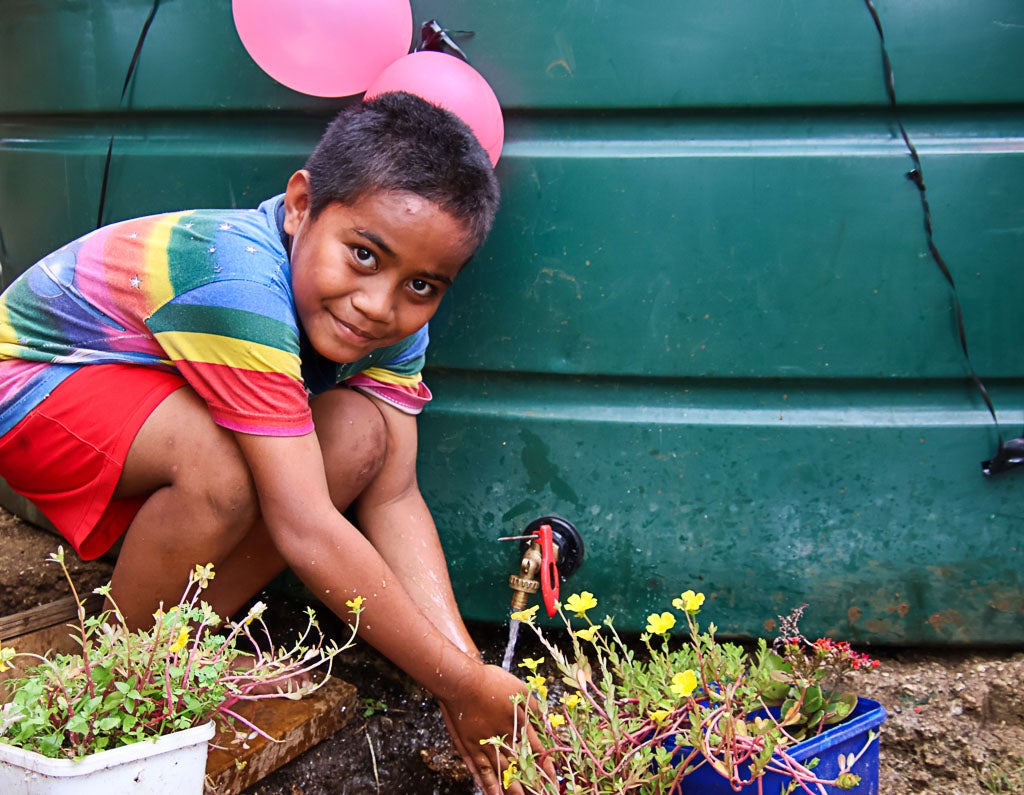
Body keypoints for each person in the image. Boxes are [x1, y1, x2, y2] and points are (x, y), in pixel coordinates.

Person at [0, 92, 545, 794]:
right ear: (299, 206)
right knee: (221, 469)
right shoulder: (240, 283)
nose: (380, 304)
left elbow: (396, 494)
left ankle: (181, 647)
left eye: (420, 283)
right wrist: (460, 681)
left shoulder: (396, 323)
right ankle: (115, 676)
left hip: (142, 406)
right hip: (31, 392)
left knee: (356, 436)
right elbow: (306, 525)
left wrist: (468, 679)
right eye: (362, 253)